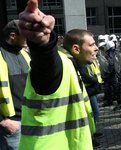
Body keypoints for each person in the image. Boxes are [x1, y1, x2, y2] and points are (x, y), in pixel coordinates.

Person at [17, 0, 97, 149]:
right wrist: (42, 44)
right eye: (91, 45)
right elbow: (46, 66)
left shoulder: (71, 64)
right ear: (76, 49)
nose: (97, 48)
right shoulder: (62, 63)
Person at [0, 19, 30, 150]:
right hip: (12, 123)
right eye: (25, 34)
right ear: (13, 35)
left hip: (31, 119)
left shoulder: (25, 54)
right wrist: (3, 121)